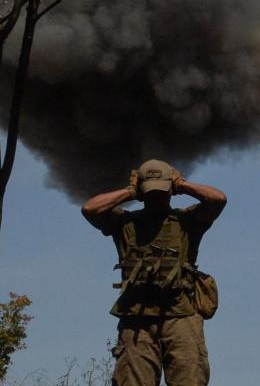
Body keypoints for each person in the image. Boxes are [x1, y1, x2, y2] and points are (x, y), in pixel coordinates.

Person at [81, 159, 227, 386]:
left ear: (170, 190)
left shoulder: (188, 221)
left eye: (161, 190)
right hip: (137, 321)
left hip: (181, 316)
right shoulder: (124, 224)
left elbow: (218, 200)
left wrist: (182, 184)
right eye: (150, 191)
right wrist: (130, 192)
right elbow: (90, 209)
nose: (156, 196)